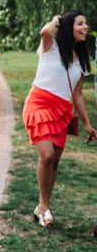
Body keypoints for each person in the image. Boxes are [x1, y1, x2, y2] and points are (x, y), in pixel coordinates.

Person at [22, 12, 96, 227]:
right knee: (46, 155)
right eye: (80, 23)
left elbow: (78, 94)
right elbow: (44, 31)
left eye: (86, 23)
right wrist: (57, 19)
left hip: (62, 110)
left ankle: (42, 206)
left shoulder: (82, 59)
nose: (86, 27)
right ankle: (43, 206)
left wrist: (87, 123)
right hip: (38, 103)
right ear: (67, 26)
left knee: (54, 161)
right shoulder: (50, 46)